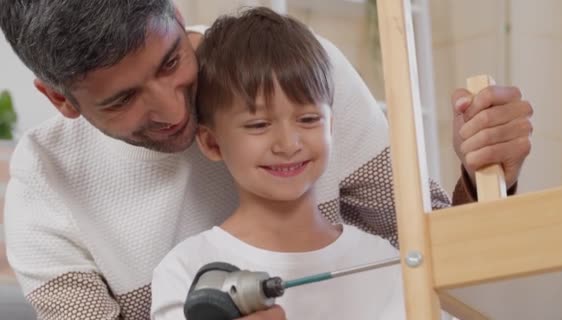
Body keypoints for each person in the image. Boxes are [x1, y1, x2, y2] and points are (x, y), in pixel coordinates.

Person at [0, 1, 532, 319]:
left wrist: (485, 173)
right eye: (122, 99)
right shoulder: (43, 194)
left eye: (170, 61)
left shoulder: (297, 74)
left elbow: (435, 251)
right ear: (60, 99)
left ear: (176, 16)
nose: (171, 110)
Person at [151, 8, 406, 319]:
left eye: (309, 119)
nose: (288, 144)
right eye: (258, 125)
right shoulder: (188, 272)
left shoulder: (383, 260)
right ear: (212, 142)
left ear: (331, 126)